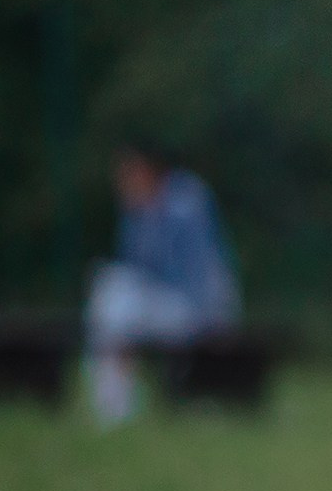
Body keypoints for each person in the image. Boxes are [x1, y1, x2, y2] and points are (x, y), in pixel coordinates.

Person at [85, 144, 241, 425]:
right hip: (165, 303)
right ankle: (113, 404)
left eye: (127, 176)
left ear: (145, 171)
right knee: (110, 292)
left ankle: (114, 408)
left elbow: (197, 272)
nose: (122, 186)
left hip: (196, 306)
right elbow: (134, 269)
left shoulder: (184, 201)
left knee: (114, 303)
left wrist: (215, 321)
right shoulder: (138, 210)